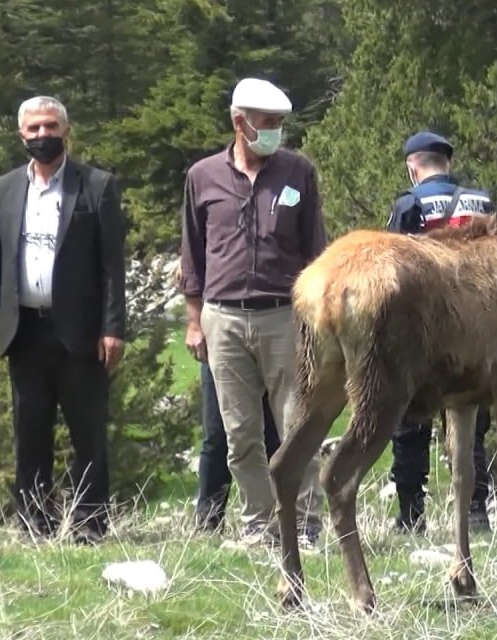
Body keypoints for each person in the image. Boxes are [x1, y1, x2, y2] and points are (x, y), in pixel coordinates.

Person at [0, 96, 127, 545]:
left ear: (66, 131)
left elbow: (111, 266)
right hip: (24, 331)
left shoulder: (96, 186)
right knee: (30, 433)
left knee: (88, 434)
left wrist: (113, 328)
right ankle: (34, 525)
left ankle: (89, 526)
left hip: (80, 332)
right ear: (22, 135)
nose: (43, 135)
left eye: (51, 126)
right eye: (34, 128)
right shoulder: (4, 189)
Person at [180, 77, 327, 547]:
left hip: (284, 316)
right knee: (239, 432)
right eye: (266, 124)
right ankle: (259, 526)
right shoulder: (202, 177)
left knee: (295, 426)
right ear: (239, 122)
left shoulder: (298, 172)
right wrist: (193, 319)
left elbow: (315, 250)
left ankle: (304, 524)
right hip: (222, 319)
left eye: (280, 124)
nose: (274, 132)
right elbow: (192, 253)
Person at [386, 130, 496, 534]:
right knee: (471, 424)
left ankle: (411, 516)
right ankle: (475, 511)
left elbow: (393, 268)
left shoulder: (410, 203)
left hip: (425, 329)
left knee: (411, 424)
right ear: (446, 163)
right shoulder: (483, 201)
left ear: (413, 166)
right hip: (474, 328)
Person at [179, 259, 283, 532]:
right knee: (218, 434)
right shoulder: (208, 215)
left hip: (274, 322)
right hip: (222, 324)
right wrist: (194, 322)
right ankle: (208, 522)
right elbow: (191, 264)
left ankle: (282, 522)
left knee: (275, 435)